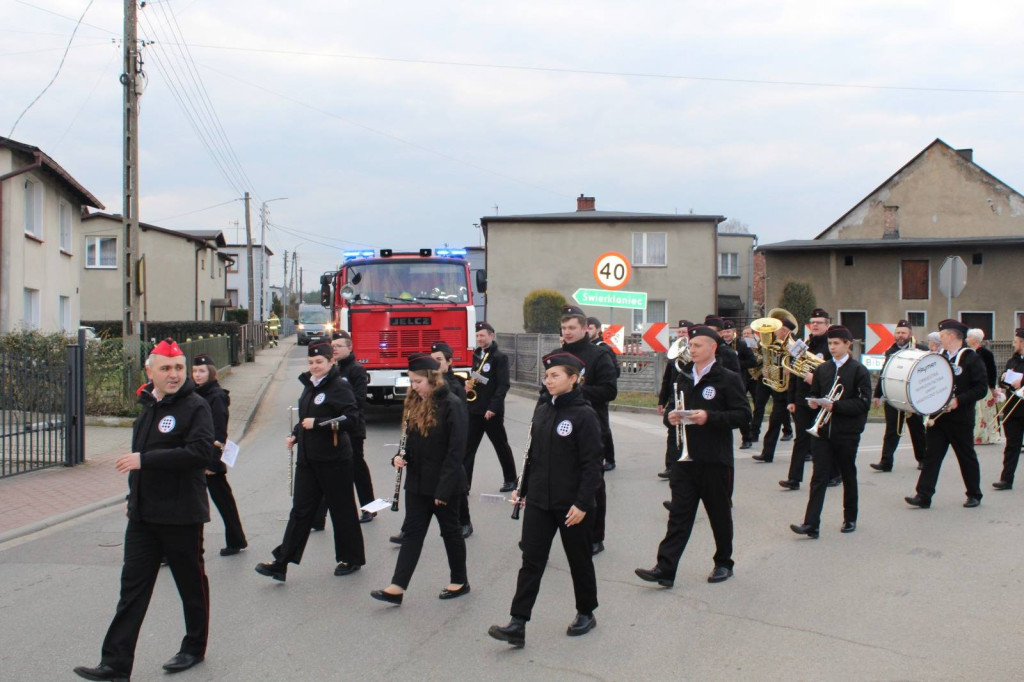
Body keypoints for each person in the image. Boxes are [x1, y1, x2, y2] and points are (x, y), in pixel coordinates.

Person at [74, 339, 215, 681]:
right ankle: (116, 663)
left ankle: (193, 647)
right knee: (132, 589)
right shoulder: (148, 408)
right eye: (166, 368)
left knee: (190, 585)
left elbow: (200, 454)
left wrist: (145, 460)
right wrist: (132, 498)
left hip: (181, 515)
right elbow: (140, 465)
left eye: (179, 368)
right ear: (149, 371)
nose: (174, 374)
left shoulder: (195, 407)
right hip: (143, 516)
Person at [488, 351, 604, 648]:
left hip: (572, 505)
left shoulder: (584, 415)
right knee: (531, 561)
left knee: (579, 560)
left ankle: (586, 611)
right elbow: (534, 456)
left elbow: (593, 465)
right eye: (547, 376)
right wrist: (522, 489)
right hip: (540, 500)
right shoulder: (542, 409)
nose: (548, 380)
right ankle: (518, 623)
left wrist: (581, 504)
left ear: (574, 379)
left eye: (555, 376)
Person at [635, 326, 750, 587]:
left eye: (698, 345)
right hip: (684, 461)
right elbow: (671, 415)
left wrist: (709, 417)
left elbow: (744, 416)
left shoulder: (728, 378)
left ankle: (723, 562)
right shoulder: (683, 378)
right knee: (679, 515)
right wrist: (671, 417)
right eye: (691, 345)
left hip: (715, 459)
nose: (692, 349)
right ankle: (665, 568)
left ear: (713, 348)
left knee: (719, 515)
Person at [255, 343, 365, 581]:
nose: (315, 366)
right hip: (308, 459)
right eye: (312, 362)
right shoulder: (309, 386)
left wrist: (319, 424)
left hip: (334, 460)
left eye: (320, 362)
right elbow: (305, 417)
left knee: (342, 509)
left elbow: (352, 418)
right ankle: (282, 562)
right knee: (301, 511)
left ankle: (351, 557)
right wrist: (296, 434)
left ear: (331, 362)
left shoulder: (339, 387)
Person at [371, 354, 469, 606]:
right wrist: (399, 456)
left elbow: (456, 451)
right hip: (416, 483)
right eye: (411, 381)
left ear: (431, 378)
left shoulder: (452, 404)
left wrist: (444, 489)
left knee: (450, 533)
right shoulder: (415, 403)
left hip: (443, 484)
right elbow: (410, 442)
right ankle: (397, 586)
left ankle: (460, 581)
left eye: (417, 381)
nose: (413, 386)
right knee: (413, 534)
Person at [790, 326, 872, 538]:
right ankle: (811, 524)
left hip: (847, 433)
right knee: (819, 477)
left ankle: (850, 517)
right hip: (823, 432)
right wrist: (814, 403)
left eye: (837, 343)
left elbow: (863, 404)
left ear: (848, 344)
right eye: (830, 344)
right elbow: (815, 392)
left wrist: (836, 406)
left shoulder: (858, 370)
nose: (832, 347)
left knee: (847, 474)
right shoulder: (823, 369)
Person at [906, 319, 988, 509]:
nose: (939, 338)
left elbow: (981, 388)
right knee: (931, 457)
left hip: (960, 418)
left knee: (966, 456)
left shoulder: (971, 358)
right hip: (938, 418)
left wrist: (959, 400)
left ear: (952, 336)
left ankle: (974, 494)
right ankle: (923, 496)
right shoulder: (938, 357)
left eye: (942, 335)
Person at [556, 305, 618, 555]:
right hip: (559, 428)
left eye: (572, 327)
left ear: (585, 328)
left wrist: (576, 391)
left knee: (593, 484)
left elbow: (609, 391)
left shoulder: (598, 355)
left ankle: (595, 535)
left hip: (591, 427)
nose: (568, 332)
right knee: (559, 481)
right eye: (564, 328)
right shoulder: (557, 355)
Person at [311, 332, 375, 529]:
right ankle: (319, 517)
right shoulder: (331, 371)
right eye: (333, 346)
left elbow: (358, 400)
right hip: (330, 428)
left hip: (351, 429)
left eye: (339, 345)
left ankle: (369, 507)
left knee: (357, 469)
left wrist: (336, 409)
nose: (335, 348)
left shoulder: (356, 370)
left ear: (350, 348)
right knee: (328, 473)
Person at [462, 322, 517, 539]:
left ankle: (511, 479)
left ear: (492, 335)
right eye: (477, 335)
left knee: (500, 445)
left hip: (491, 410)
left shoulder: (499, 357)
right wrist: (468, 384)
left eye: (483, 335)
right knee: (468, 448)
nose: (480, 339)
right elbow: (479, 378)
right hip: (474, 409)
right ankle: (464, 484)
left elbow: (502, 385)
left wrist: (493, 407)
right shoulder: (476, 354)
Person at [192, 354, 247, 556]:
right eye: (195, 371)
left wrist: (213, 462)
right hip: (194, 456)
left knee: (223, 501)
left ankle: (236, 540)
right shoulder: (193, 394)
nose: (198, 375)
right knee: (189, 504)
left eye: (202, 371)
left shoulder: (216, 396)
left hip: (209, 458)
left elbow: (219, 431)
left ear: (211, 373)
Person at [779, 308, 837, 490]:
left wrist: (816, 379)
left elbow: (837, 374)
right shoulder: (803, 343)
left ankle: (834, 474)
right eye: (813, 322)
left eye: (819, 322)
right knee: (801, 440)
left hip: (822, 399)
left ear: (827, 325)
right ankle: (794, 479)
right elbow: (795, 373)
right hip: (802, 399)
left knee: (825, 439)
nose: (815, 325)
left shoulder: (831, 345)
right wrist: (790, 400)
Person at [870, 320, 929, 472]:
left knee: (917, 430)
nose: (900, 335)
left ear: (910, 334)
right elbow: (885, 373)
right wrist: (877, 395)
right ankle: (886, 462)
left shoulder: (921, 349)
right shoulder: (891, 350)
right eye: (898, 332)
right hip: (893, 395)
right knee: (892, 430)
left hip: (912, 397)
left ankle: (923, 459)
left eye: (903, 332)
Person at [753, 317, 798, 464]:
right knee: (774, 421)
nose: (774, 331)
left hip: (795, 391)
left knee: (801, 422)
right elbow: (772, 361)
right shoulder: (775, 344)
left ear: (785, 330)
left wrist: (790, 369)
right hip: (780, 390)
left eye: (777, 328)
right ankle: (767, 453)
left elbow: (802, 362)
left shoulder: (796, 344)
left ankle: (808, 451)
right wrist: (768, 370)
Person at [657, 320, 693, 479]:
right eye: (679, 332)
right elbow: (666, 380)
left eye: (683, 332)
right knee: (672, 433)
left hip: (690, 398)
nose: (680, 335)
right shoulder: (674, 356)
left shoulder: (694, 354)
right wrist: (661, 401)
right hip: (675, 397)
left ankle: (688, 466)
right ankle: (671, 466)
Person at [587, 315, 621, 471]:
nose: (587, 331)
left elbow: (615, 371)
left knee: (603, 427)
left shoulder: (604, 348)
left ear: (598, 330)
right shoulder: (584, 348)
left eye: (590, 328)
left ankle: (610, 458)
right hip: (588, 393)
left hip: (599, 393)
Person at [993, 329, 1024, 490]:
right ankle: (1006, 479)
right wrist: (1004, 379)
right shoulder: (1013, 361)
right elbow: (1004, 379)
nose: (1014, 344)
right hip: (1013, 409)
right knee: (1012, 445)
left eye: (1016, 341)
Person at [722, 320, 758, 449]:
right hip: (722, 381)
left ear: (734, 332)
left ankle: (747, 438)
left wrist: (736, 363)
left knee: (740, 410)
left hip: (737, 381)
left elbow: (753, 361)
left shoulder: (741, 345)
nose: (726, 334)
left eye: (728, 331)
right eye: (724, 331)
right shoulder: (718, 345)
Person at [967, 328, 1000, 445]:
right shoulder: (969, 352)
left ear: (975, 339)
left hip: (984, 386)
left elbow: (992, 370)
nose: (967, 339)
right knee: (977, 411)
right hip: (973, 386)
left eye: (969, 337)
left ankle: (990, 436)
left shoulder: (986, 353)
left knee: (987, 411)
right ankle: (978, 435)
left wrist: (992, 387)